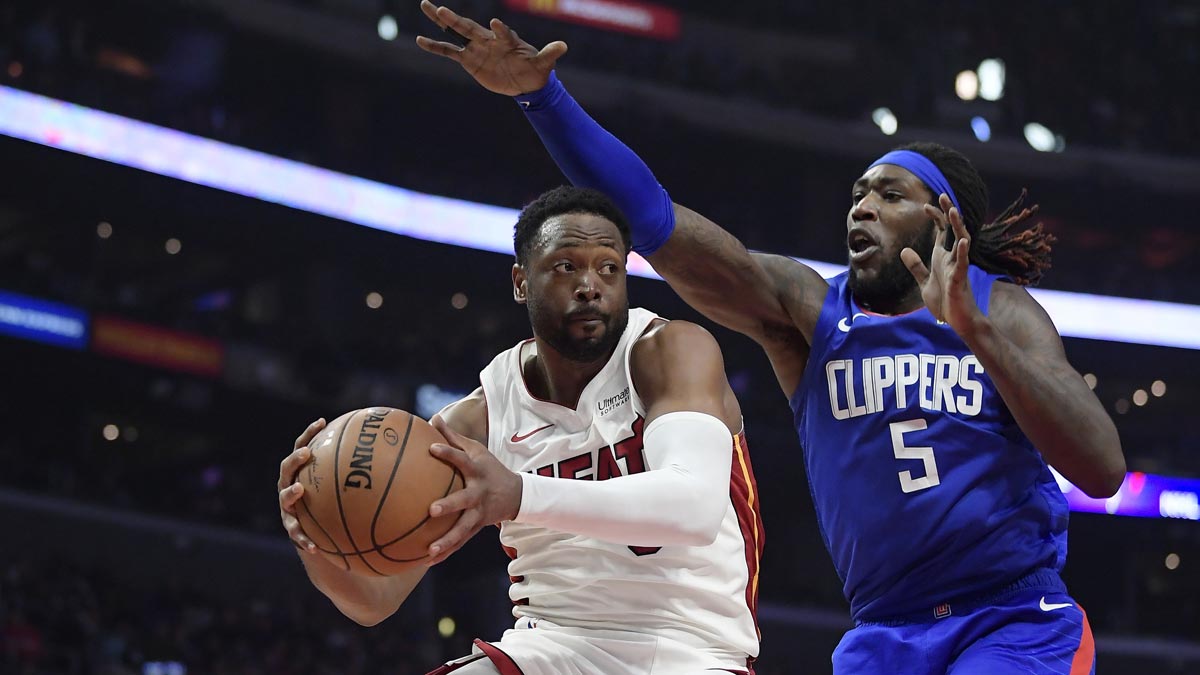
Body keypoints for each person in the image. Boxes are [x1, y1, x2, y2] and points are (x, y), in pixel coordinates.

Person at [414, 4, 1126, 673]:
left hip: (1011, 616)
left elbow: (1100, 466)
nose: (863, 206)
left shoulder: (1003, 311)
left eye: (888, 194)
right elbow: (653, 219)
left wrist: (979, 338)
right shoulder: (810, 310)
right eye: (856, 194)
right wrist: (544, 100)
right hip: (884, 629)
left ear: (943, 220)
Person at [278, 186, 764, 675]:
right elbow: (375, 601)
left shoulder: (671, 351)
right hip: (551, 647)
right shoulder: (474, 423)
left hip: (689, 650)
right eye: (566, 266)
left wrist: (517, 494)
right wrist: (316, 536)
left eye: (608, 267)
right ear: (521, 282)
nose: (590, 285)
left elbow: (694, 508)